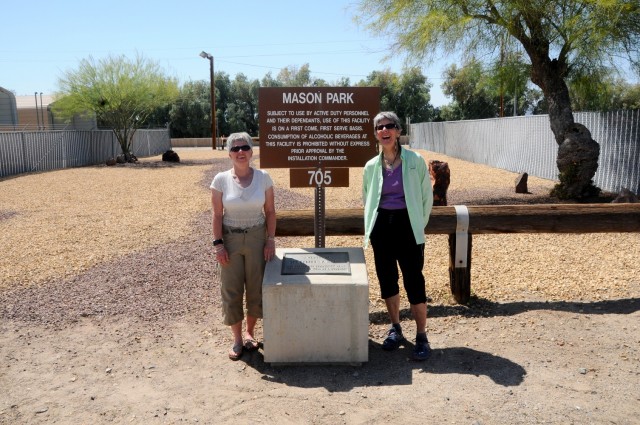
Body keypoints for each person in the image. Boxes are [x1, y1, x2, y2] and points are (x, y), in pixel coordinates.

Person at [362, 111, 434, 361]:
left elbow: (427, 199)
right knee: (387, 279)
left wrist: (417, 225)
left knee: (414, 279)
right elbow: (367, 198)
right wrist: (371, 226)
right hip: (382, 226)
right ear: (375, 134)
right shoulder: (371, 166)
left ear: (398, 131)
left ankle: (422, 336)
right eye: (380, 127)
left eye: (390, 126)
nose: (385, 131)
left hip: (408, 225)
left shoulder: (415, 161)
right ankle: (395, 328)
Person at [210, 132, 276, 360]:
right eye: (235, 148)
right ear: (229, 153)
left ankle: (250, 333)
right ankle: (237, 339)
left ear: (251, 151)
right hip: (230, 238)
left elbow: (270, 211)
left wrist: (270, 239)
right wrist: (219, 245)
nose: (240, 152)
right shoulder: (220, 180)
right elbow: (217, 215)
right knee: (231, 289)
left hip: (258, 237)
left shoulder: (264, 177)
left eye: (245, 147)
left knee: (256, 287)